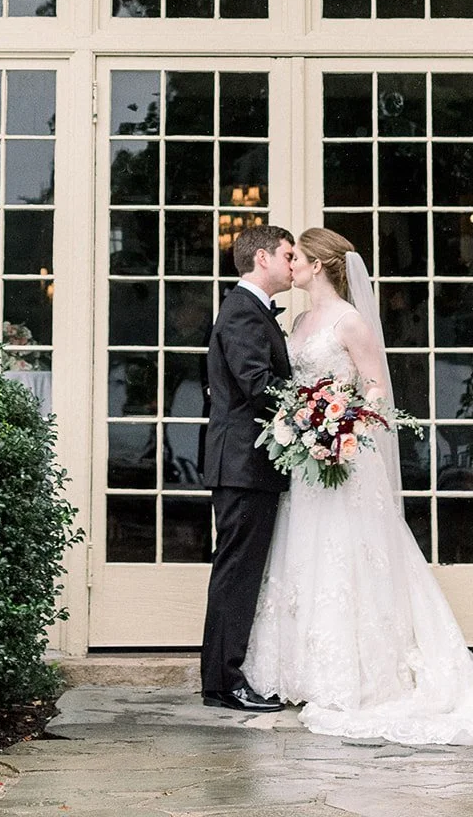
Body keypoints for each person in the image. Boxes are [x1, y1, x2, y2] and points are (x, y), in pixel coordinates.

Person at [243, 227, 473, 746]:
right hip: (308, 464)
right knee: (306, 554)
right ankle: (302, 670)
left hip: (345, 459)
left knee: (349, 555)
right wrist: (305, 426)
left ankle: (359, 676)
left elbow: (376, 387)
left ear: (320, 264)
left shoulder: (350, 321)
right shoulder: (300, 322)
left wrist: (344, 426)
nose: (291, 266)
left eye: (297, 257)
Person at [200, 223, 295, 712]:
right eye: (287, 255)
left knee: (239, 572)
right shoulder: (242, 310)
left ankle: (223, 680)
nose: (293, 265)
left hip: (248, 464)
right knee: (236, 573)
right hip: (242, 463)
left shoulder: (251, 310)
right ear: (262, 258)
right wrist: (312, 404)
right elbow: (257, 384)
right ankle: (225, 683)